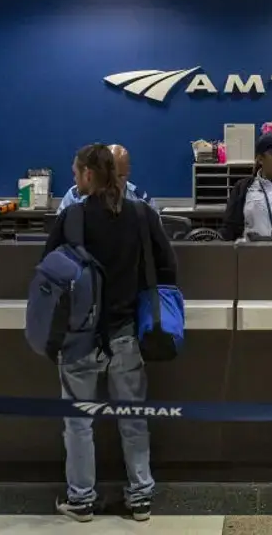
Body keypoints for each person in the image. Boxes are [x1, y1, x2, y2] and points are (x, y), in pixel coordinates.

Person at [44, 143, 177, 523]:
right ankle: (140, 498)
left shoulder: (71, 217)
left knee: (78, 422)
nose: (74, 179)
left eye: (75, 172)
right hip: (126, 332)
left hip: (79, 337)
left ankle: (82, 499)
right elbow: (168, 267)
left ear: (88, 174)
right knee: (133, 417)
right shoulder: (141, 214)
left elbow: (47, 274)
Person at [57, 144, 154, 214]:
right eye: (110, 175)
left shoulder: (141, 199)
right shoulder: (74, 196)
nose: (114, 181)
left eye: (120, 176)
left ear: (128, 173)